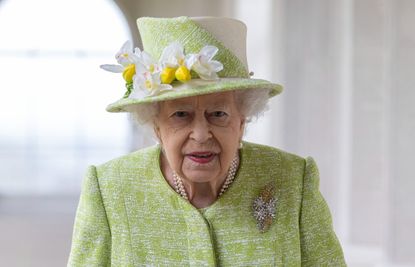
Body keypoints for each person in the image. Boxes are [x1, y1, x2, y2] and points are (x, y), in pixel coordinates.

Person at [67, 16, 346, 266]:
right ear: (156, 126)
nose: (201, 134)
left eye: (218, 114)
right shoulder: (110, 188)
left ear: (242, 121)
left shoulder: (294, 180)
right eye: (181, 114)